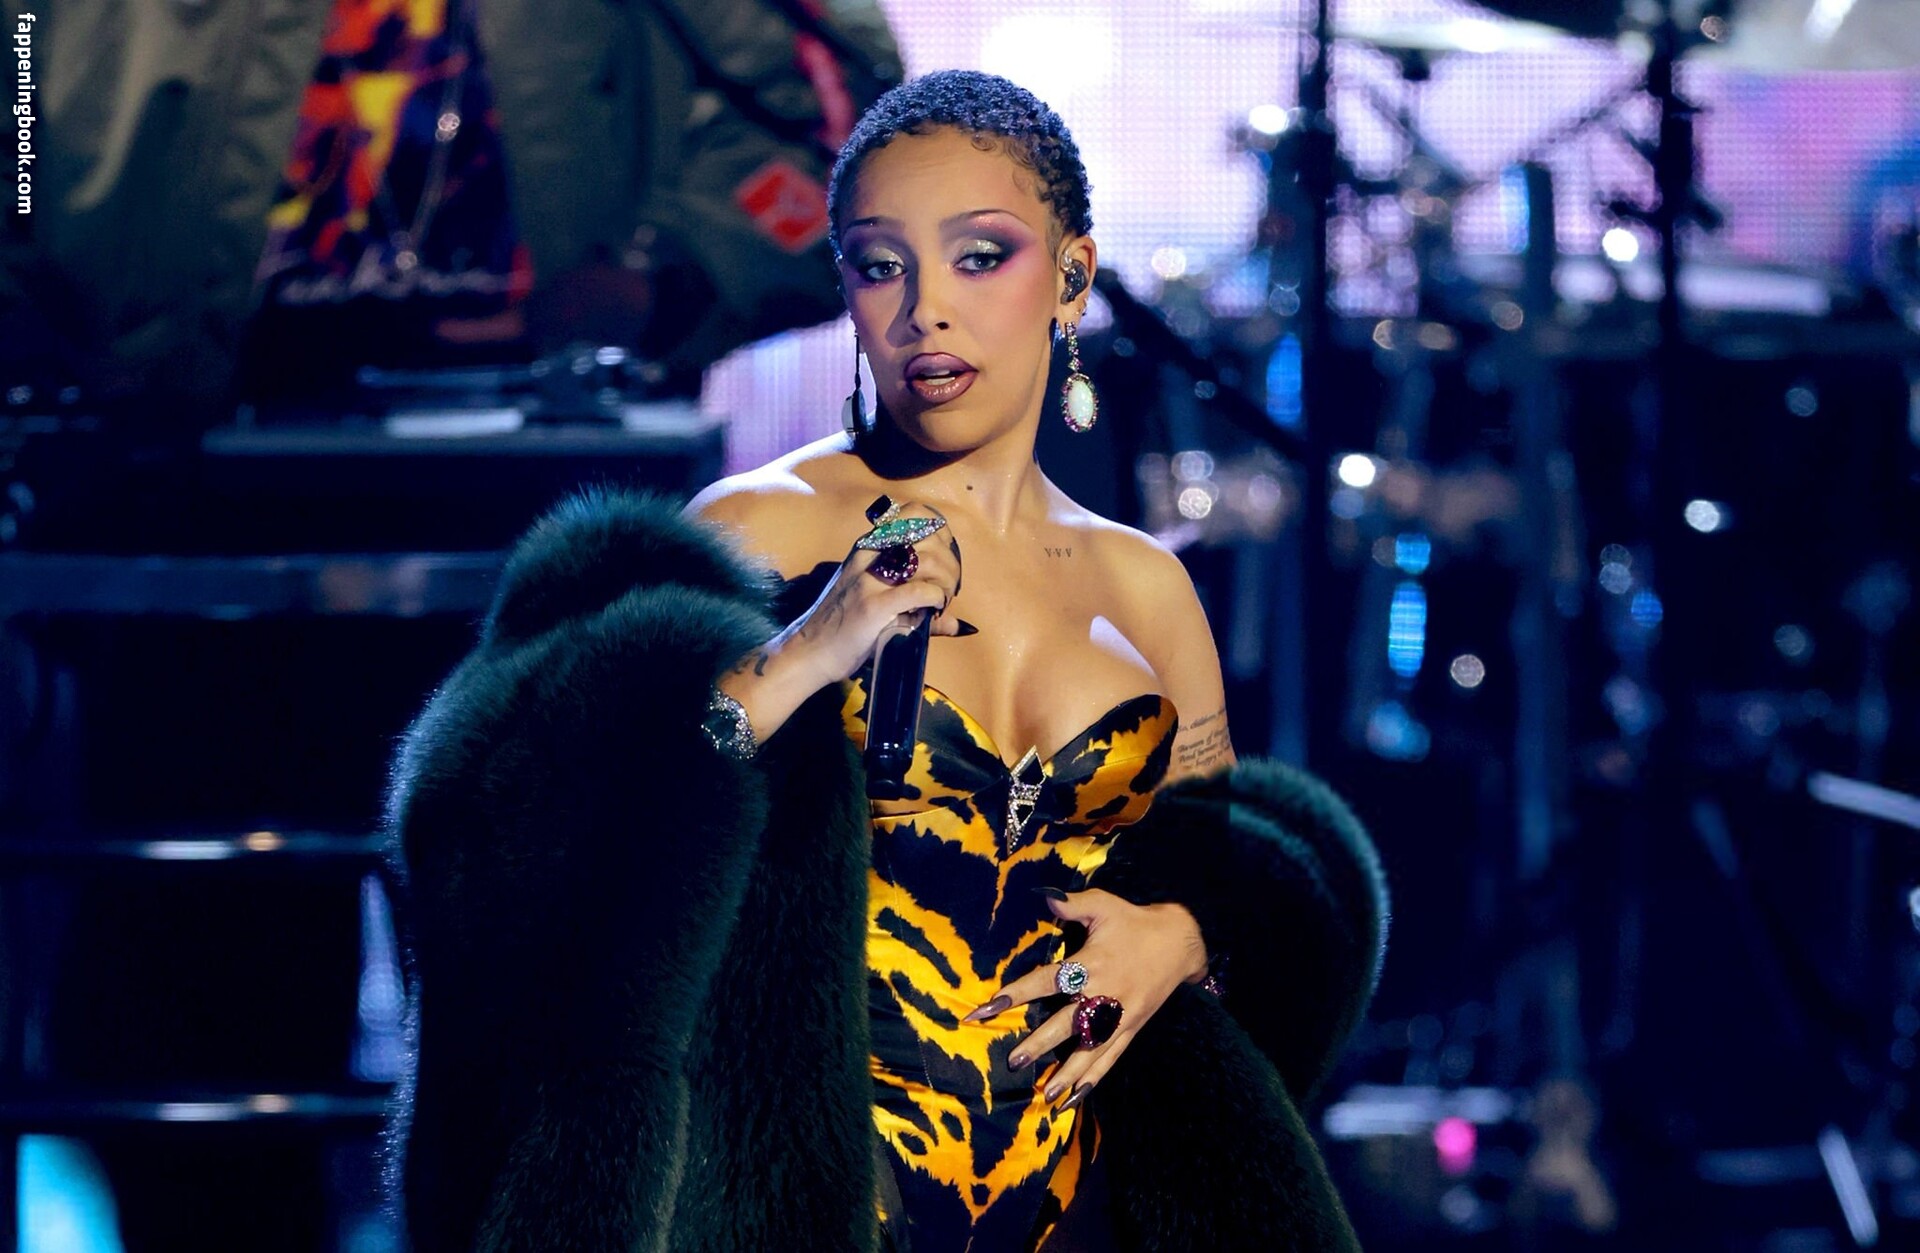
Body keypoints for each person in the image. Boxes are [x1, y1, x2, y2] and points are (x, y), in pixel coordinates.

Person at [386, 71, 1387, 1251]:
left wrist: (1183, 933)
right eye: (879, 264)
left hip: (1081, 1200)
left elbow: (1213, 890)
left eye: (980, 256)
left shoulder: (1147, 591)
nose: (925, 311)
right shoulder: (752, 529)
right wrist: (812, 647)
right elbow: (553, 835)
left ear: (1072, 276)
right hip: (805, 1203)